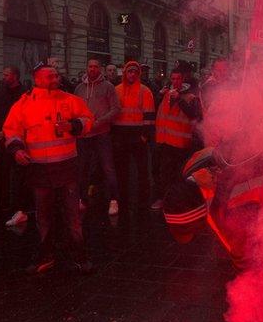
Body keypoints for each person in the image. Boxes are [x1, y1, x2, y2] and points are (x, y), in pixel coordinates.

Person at [3, 63, 94, 274]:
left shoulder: (69, 100)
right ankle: (46, 255)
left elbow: (88, 118)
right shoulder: (24, 104)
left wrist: (74, 125)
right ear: (37, 79)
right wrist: (16, 150)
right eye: (50, 76)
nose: (55, 78)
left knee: (72, 216)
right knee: (43, 216)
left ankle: (79, 256)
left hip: (66, 167)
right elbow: (12, 130)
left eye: (56, 75)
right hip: (40, 170)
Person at [152, 63, 202, 210]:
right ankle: (165, 199)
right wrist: (159, 95)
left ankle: (179, 202)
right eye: (172, 78)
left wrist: (179, 98)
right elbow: (157, 111)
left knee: (179, 174)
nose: (175, 81)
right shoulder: (166, 94)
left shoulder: (190, 96)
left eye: (178, 78)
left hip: (181, 143)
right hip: (164, 140)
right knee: (163, 173)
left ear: (183, 79)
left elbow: (195, 116)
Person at [74, 58, 121, 215]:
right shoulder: (79, 88)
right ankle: (82, 199)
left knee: (108, 167)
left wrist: (99, 122)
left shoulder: (108, 87)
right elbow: (75, 110)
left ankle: (114, 200)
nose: (92, 69)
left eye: (95, 66)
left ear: (100, 69)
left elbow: (115, 109)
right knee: (82, 168)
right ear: (86, 68)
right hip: (84, 135)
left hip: (101, 134)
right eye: (90, 66)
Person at [112, 61, 155, 212]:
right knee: (121, 170)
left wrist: (144, 136)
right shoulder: (116, 90)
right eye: (129, 72)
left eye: (135, 72)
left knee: (142, 170)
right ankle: (123, 198)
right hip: (120, 135)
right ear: (125, 73)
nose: (132, 74)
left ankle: (144, 199)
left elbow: (149, 116)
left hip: (138, 135)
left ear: (138, 74)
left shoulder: (145, 91)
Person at [0, 66, 28, 225]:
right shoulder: (0, 92)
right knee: (2, 172)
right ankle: (1, 203)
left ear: (15, 76)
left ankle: (19, 205)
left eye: (7, 74)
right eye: (3, 74)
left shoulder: (24, 93)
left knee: (19, 173)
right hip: (2, 137)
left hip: (18, 138)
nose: (4, 77)